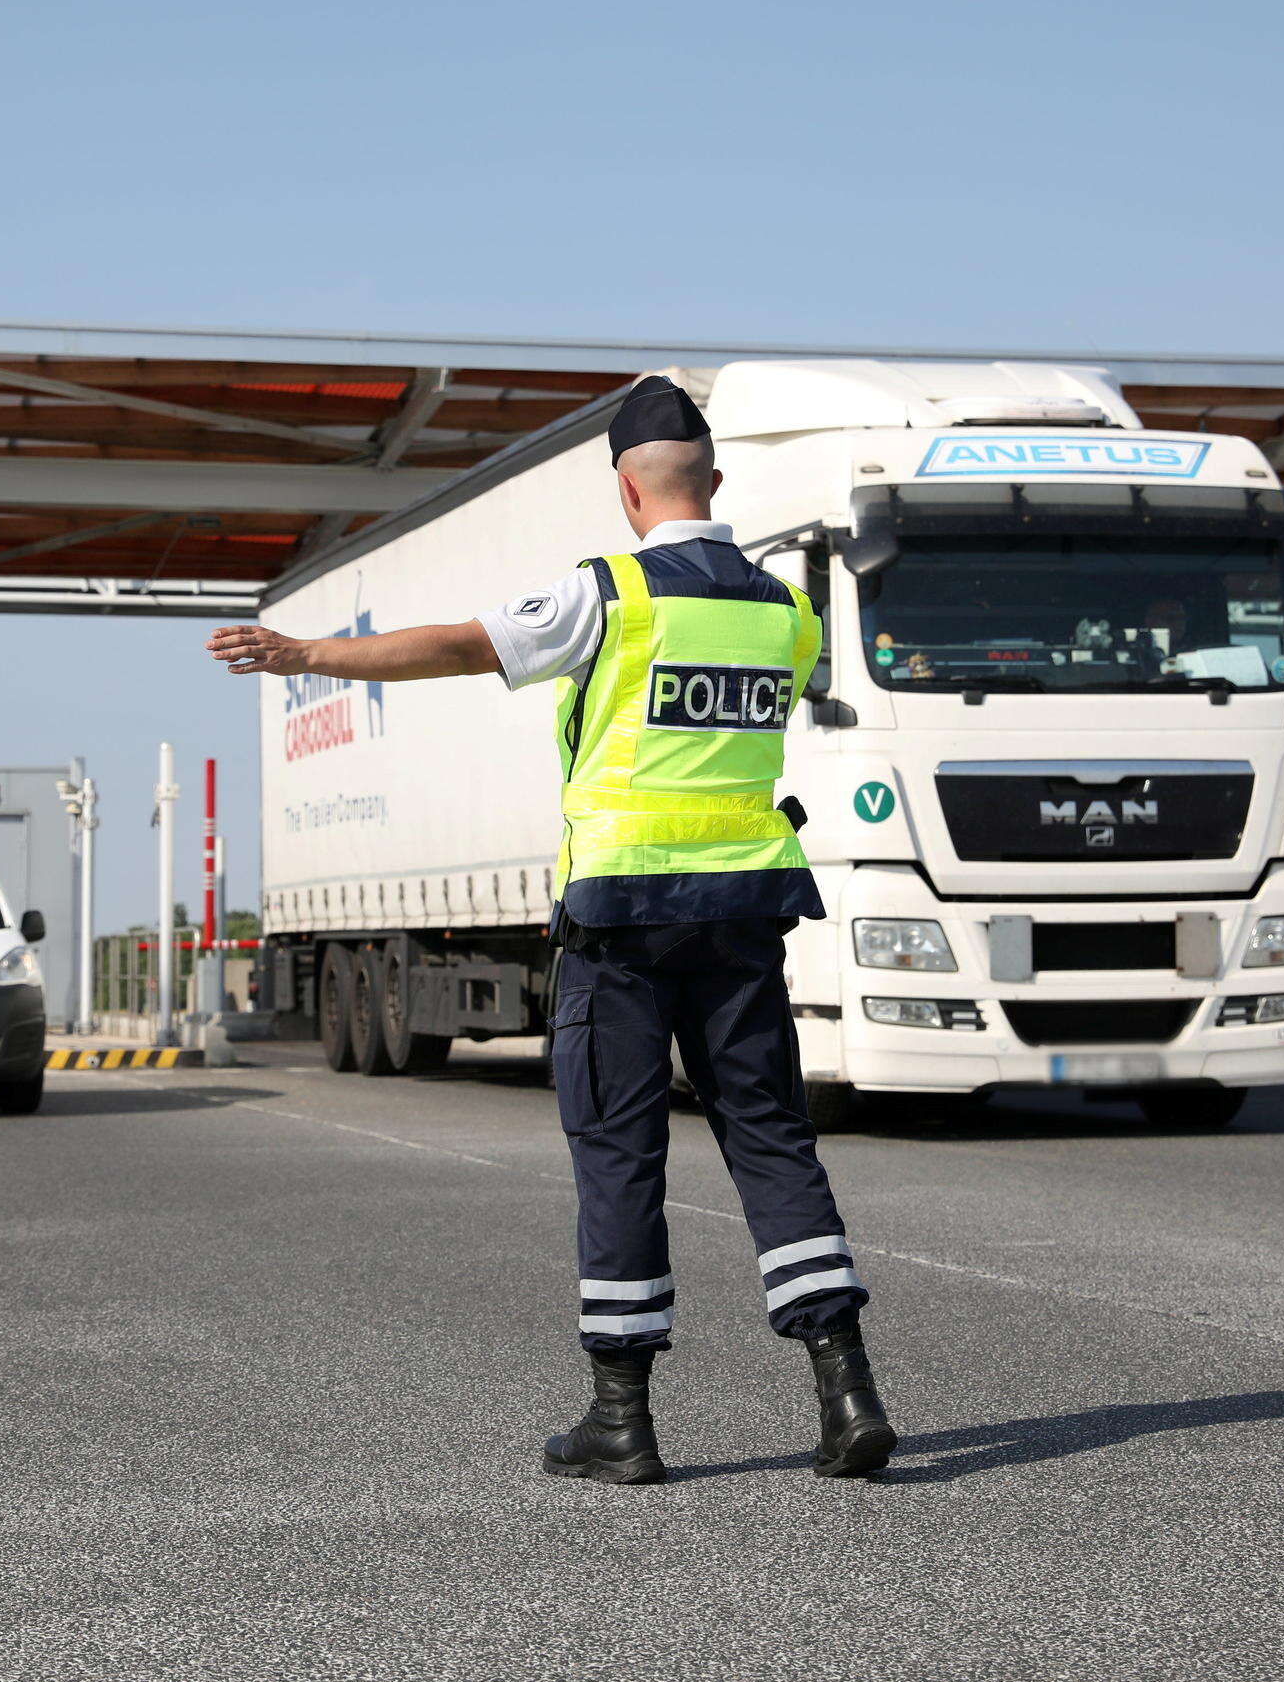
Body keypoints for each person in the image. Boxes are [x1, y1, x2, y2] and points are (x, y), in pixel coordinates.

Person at [207, 375, 895, 1484]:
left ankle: (622, 1421)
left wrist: (306, 657)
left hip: (621, 919)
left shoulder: (612, 592)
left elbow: (459, 648)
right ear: (710, 482)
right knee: (771, 1139)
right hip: (743, 911)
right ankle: (846, 1389)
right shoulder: (787, 610)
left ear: (627, 488)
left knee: (620, 1153)